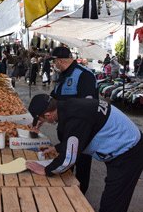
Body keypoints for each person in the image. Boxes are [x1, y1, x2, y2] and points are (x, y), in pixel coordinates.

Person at [27, 94, 143, 212]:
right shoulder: (69, 105)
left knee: (113, 202)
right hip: (122, 141)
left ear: (48, 115)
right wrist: (57, 148)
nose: (43, 122)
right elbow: (81, 135)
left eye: (42, 120)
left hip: (129, 151)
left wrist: (46, 170)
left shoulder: (75, 118)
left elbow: (69, 159)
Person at [50, 46, 98, 194]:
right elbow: (54, 99)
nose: (54, 65)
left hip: (83, 133)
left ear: (59, 61)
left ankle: (80, 197)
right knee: (66, 164)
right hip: (65, 130)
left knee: (82, 168)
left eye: (54, 62)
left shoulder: (85, 75)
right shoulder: (63, 75)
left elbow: (88, 108)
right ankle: (66, 195)